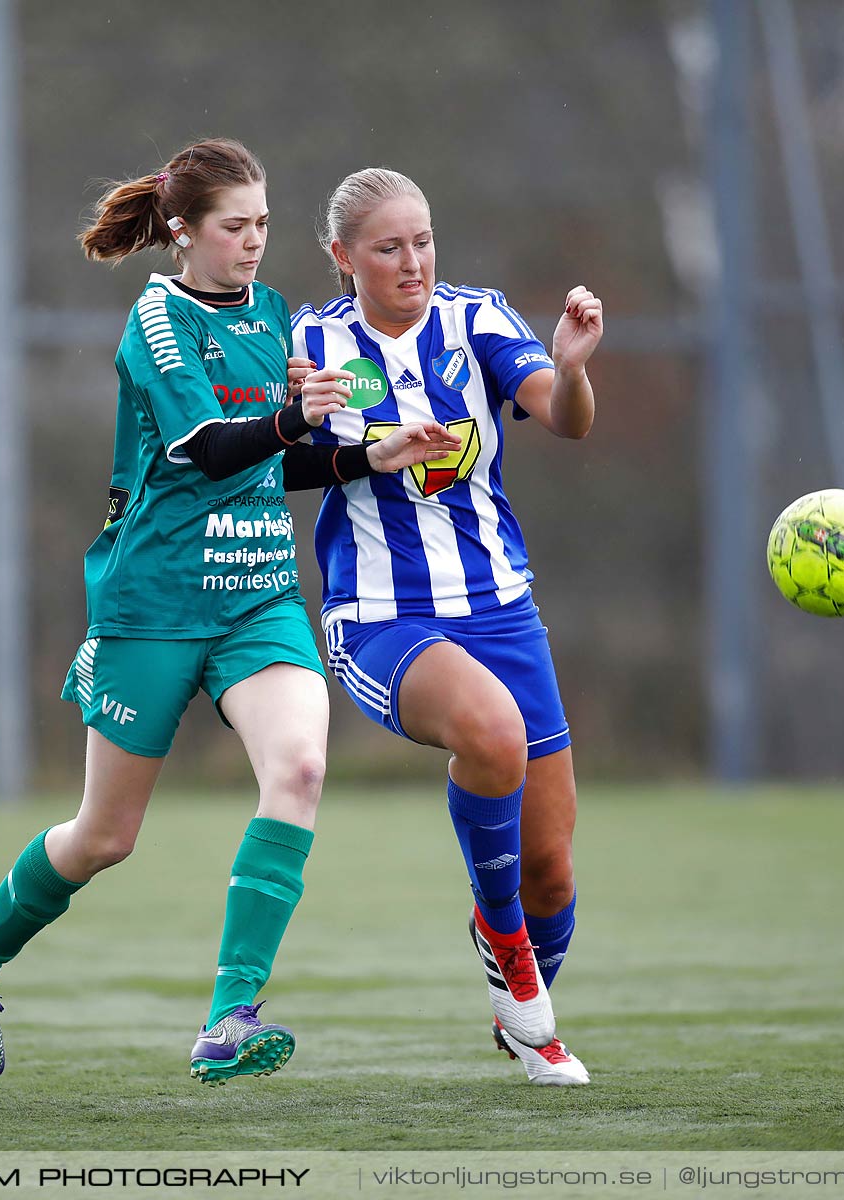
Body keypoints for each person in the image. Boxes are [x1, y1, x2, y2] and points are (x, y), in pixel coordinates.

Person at [0, 139, 457, 1084]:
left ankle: (229, 1016)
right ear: (183, 231)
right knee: (105, 837)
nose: (255, 244)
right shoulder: (157, 322)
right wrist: (299, 419)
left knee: (298, 767)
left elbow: (275, 461)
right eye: (235, 227)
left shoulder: (270, 313)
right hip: (155, 603)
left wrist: (363, 456)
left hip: (259, 597)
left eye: (262, 224)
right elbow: (211, 448)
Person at [290, 168, 603, 1085]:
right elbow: (269, 466)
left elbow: (567, 420)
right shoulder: (308, 342)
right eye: (388, 247)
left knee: (550, 876)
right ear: (343, 258)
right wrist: (329, 438)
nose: (412, 262)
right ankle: (519, 985)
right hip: (381, 617)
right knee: (493, 736)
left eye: (423, 240)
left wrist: (574, 369)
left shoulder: (479, 320)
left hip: (502, 609)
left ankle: (512, 977)